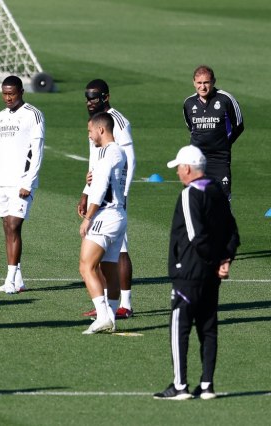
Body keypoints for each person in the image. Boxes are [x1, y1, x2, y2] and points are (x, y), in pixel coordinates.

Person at [154, 145, 239, 400]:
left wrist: (213, 261)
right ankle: (207, 385)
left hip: (189, 273)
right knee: (208, 327)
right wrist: (225, 259)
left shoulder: (190, 193)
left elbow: (195, 235)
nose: (178, 173)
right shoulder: (216, 190)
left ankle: (180, 386)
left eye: (179, 168)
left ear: (188, 168)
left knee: (179, 327)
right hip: (211, 275)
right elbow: (232, 231)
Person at [78, 79, 136, 319]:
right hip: (100, 196)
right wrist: (86, 192)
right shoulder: (95, 124)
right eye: (87, 98)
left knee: (120, 250)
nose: (89, 102)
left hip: (113, 200)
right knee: (105, 255)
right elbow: (96, 166)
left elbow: (129, 161)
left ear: (106, 97)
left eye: (94, 97)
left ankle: (125, 304)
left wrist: (123, 194)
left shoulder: (117, 122)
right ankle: (106, 304)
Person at [0, 75, 45, 294]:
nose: (8, 98)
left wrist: (28, 181)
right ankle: (17, 280)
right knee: (7, 228)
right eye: (5, 94)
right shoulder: (0, 117)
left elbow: (37, 151)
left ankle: (9, 280)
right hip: (2, 182)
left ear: (21, 92)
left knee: (13, 226)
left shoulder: (33, 115)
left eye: (12, 94)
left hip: (21, 182)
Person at [79, 112, 127, 335]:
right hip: (118, 215)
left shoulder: (109, 152)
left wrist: (88, 218)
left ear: (101, 129)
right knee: (109, 268)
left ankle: (102, 317)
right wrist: (92, 178)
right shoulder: (118, 152)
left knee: (86, 266)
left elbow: (100, 188)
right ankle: (111, 317)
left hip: (105, 216)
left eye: (90, 131)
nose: (89, 136)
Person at [183, 65, 244, 202]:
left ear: (213, 82)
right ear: (194, 83)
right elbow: (191, 127)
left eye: (206, 82)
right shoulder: (188, 103)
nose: (202, 87)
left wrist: (225, 143)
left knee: (223, 200)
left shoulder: (226, 99)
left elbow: (239, 125)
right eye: (199, 83)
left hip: (219, 159)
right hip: (196, 159)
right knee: (196, 200)